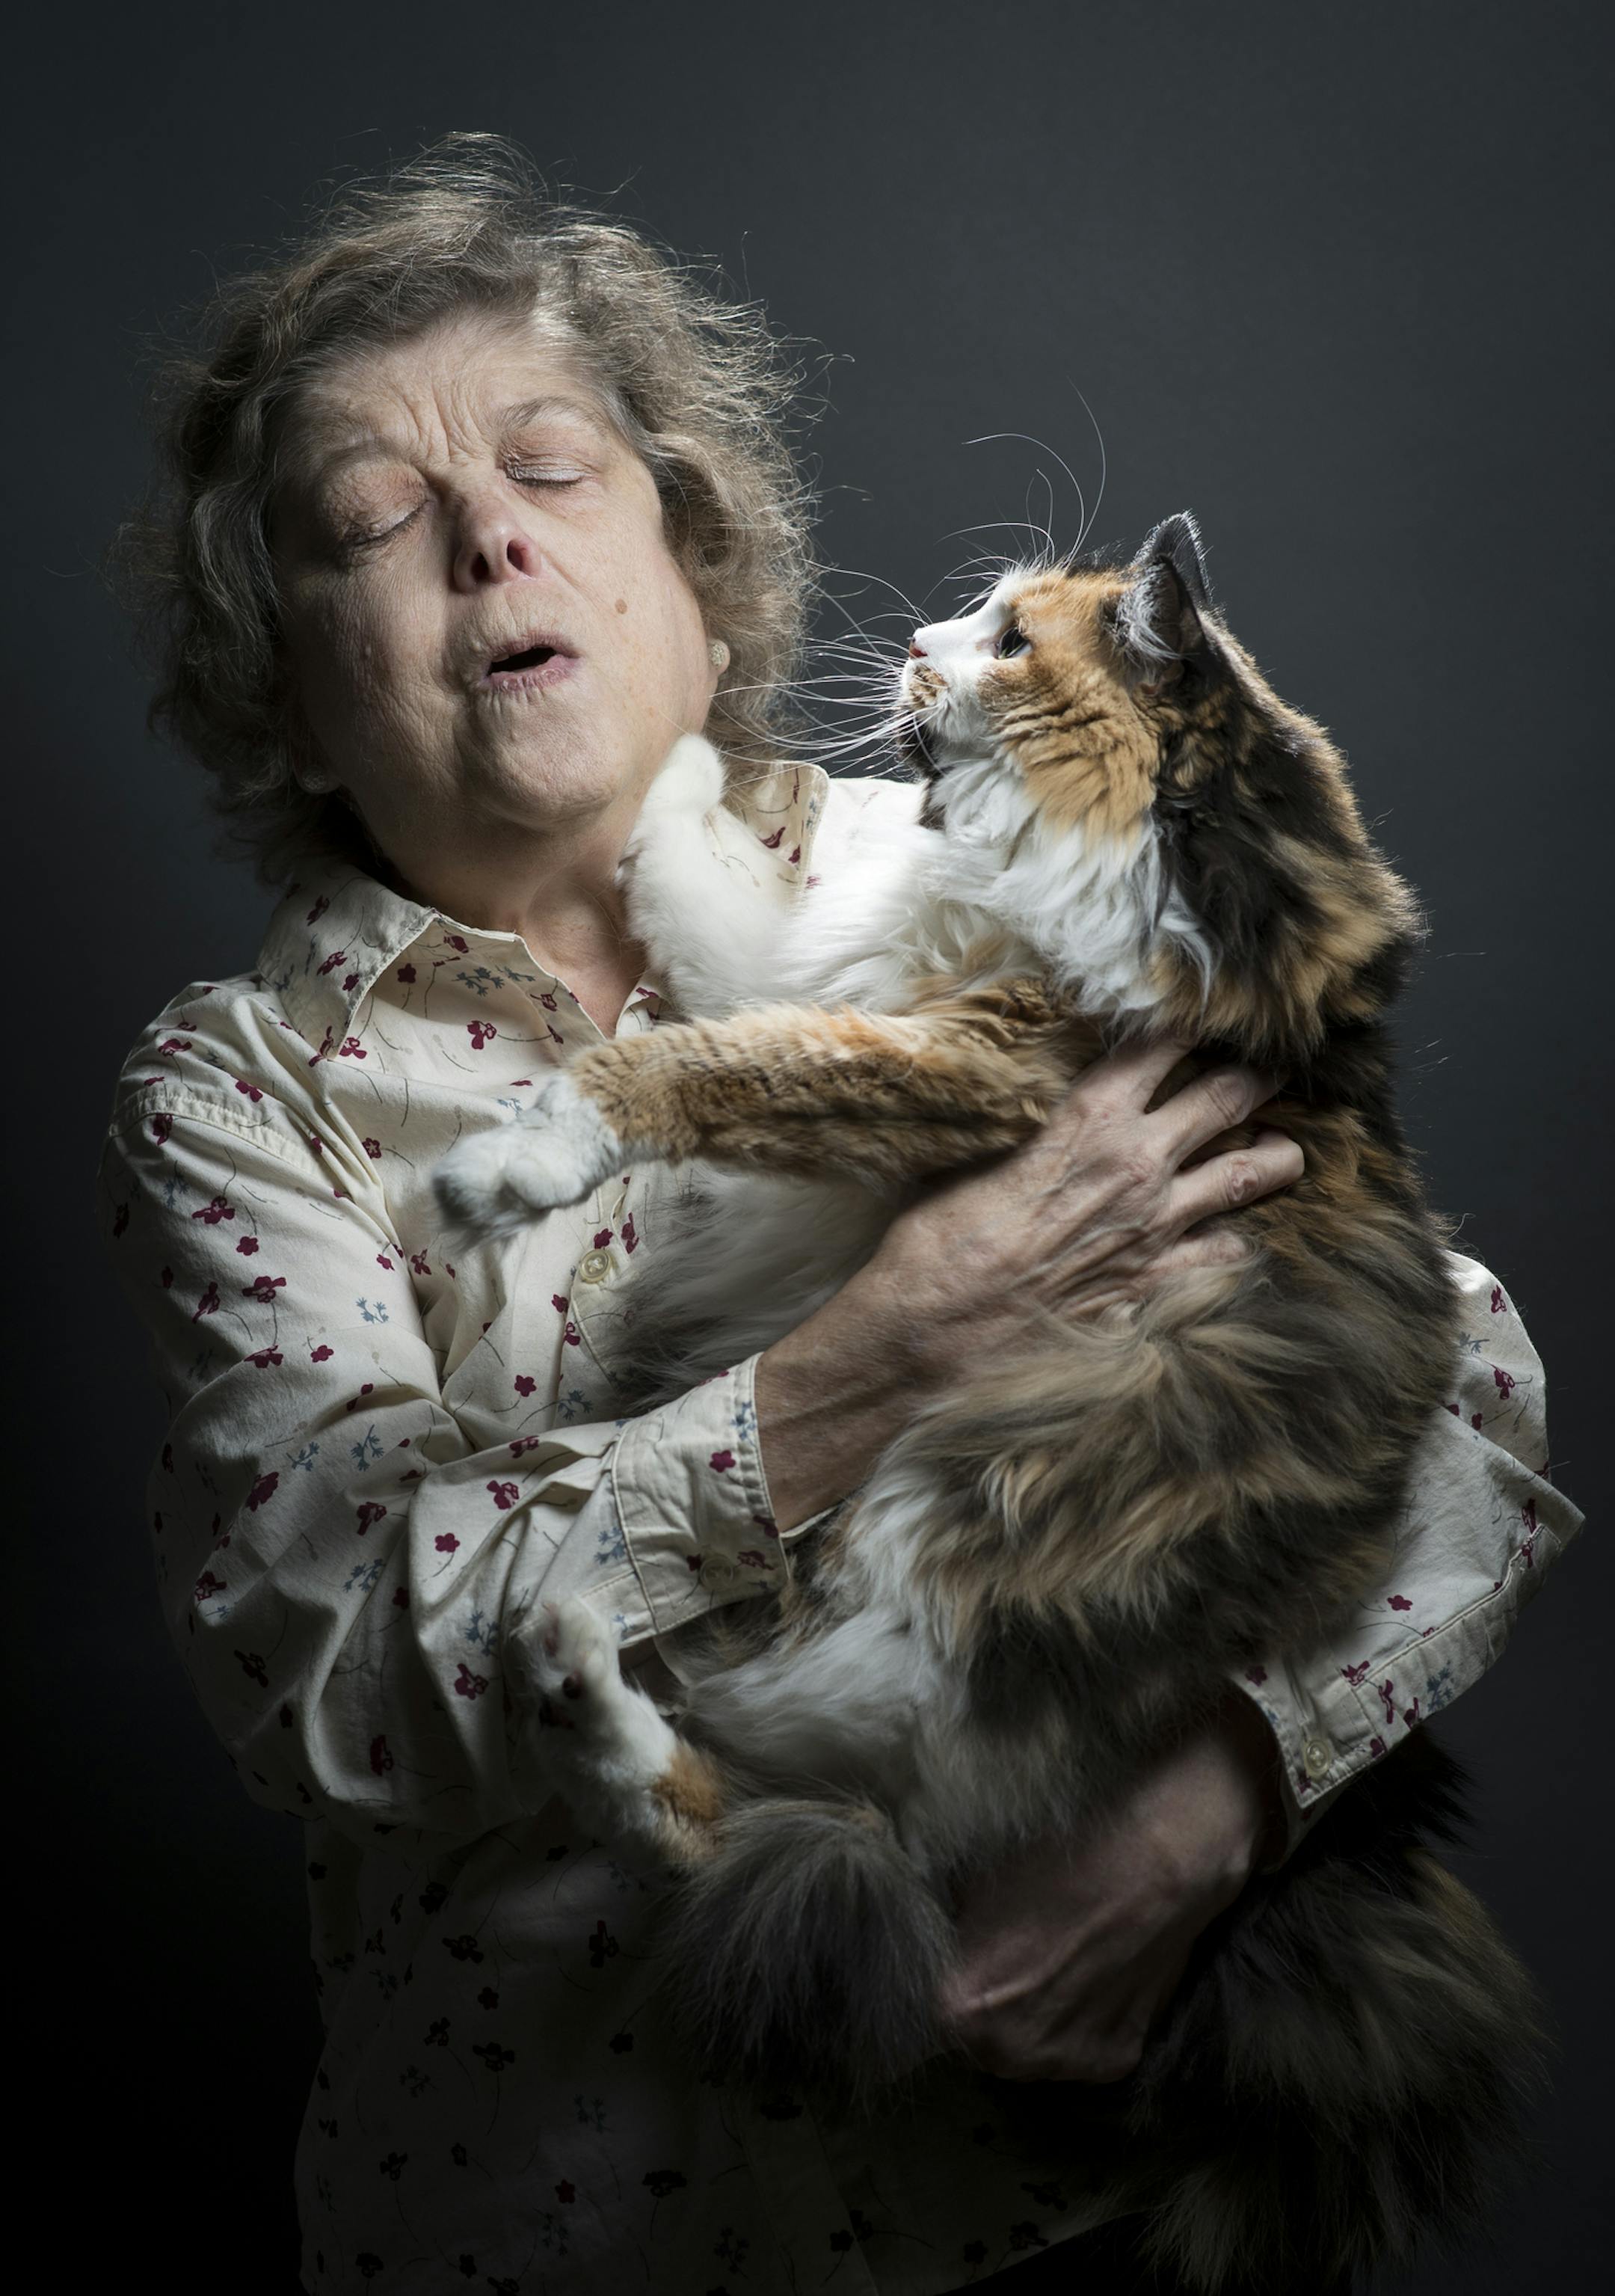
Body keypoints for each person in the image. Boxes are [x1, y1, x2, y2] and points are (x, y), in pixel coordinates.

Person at [99, 138, 1581, 2296]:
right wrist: (879, 1348)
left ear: (694, 563)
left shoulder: (995, 866)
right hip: (559, 2226)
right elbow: (336, 1656)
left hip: (1046, 2203)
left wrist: (1234, 1790)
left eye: (553, 470)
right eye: (371, 530)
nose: (491, 535)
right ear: (291, 681)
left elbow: (1459, 1384)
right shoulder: (247, 1091)